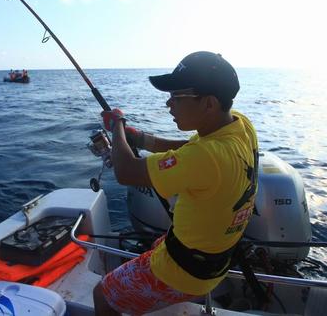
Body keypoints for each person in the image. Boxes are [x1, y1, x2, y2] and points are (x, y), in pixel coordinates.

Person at [93, 51, 259, 315]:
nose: (168, 104)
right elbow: (189, 148)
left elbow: (126, 171)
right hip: (215, 261)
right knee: (157, 242)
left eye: (177, 97)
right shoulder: (239, 125)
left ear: (209, 104)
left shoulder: (206, 157)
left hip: (185, 273)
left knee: (102, 294)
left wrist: (118, 126)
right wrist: (141, 138)